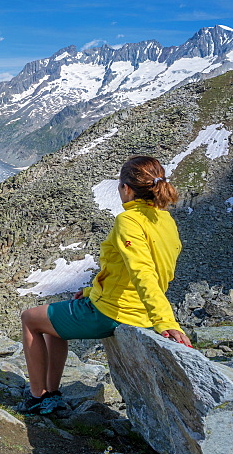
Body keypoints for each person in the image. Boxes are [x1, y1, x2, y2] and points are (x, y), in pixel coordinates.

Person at [16, 155, 192, 415]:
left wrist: (166, 322)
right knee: (55, 322)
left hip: (114, 311)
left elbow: (142, 272)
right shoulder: (164, 219)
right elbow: (140, 270)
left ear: (126, 188)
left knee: (30, 318)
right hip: (137, 308)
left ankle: (38, 396)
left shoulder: (129, 221)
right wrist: (90, 291)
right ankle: (51, 392)